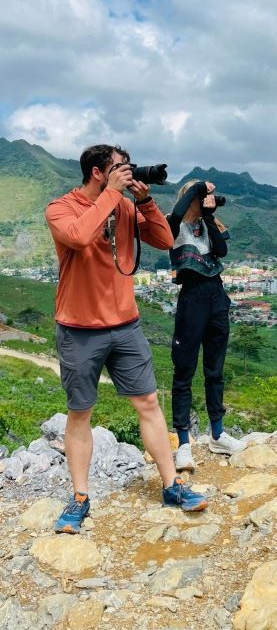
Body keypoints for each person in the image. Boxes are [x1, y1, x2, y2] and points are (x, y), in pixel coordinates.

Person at [45, 144, 207, 533]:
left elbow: (165, 240)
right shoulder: (61, 208)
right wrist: (114, 196)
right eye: (120, 168)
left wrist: (145, 202)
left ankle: (171, 486)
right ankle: (80, 497)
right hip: (79, 329)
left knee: (148, 403)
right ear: (97, 172)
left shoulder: (125, 205)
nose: (128, 172)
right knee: (80, 412)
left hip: (125, 325)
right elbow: (79, 237)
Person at [166, 179, 245, 471]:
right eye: (202, 197)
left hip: (215, 296)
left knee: (215, 370)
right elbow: (176, 214)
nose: (207, 200)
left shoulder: (209, 223)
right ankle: (183, 443)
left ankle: (217, 434)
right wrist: (197, 187)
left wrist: (210, 216)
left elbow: (221, 251)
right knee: (184, 372)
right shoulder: (174, 225)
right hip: (192, 299)